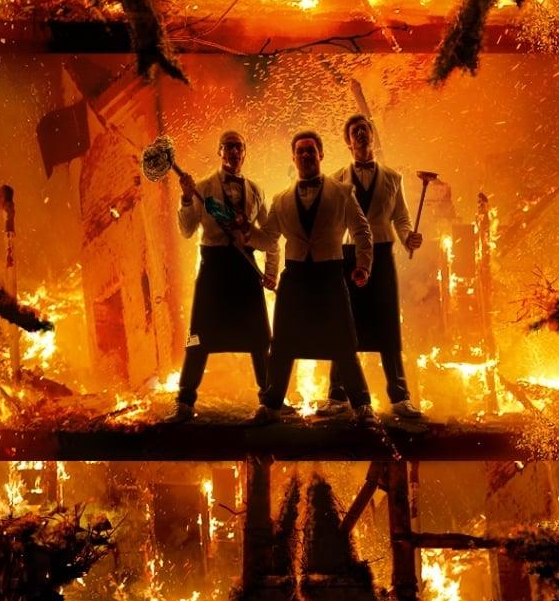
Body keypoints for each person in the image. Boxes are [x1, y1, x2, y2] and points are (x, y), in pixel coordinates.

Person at [252, 129, 376, 424]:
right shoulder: (281, 200)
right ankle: (270, 407)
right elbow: (267, 239)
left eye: (311, 150)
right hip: (294, 278)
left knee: (343, 343)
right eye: (300, 151)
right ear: (293, 157)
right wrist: (244, 229)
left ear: (321, 154)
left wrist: (363, 265)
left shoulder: (343, 192)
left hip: (330, 275)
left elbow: (362, 232)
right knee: (281, 344)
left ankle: (362, 407)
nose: (306, 155)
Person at [315, 114, 425, 419]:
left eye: (365, 129)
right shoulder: (335, 179)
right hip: (347, 254)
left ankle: (400, 397)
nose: (361, 134)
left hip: (382, 254)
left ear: (372, 135)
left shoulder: (393, 178)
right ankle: (337, 396)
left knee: (387, 323)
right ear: (348, 142)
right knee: (343, 323)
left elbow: (401, 218)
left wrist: (408, 237)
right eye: (355, 131)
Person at [169, 130, 271, 423]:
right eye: (228, 147)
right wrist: (186, 198)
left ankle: (270, 400)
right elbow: (187, 230)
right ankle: (184, 402)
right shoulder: (202, 188)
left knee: (260, 336)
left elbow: (268, 234)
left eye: (238, 147)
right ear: (220, 152)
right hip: (213, 268)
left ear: (244, 153)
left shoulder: (256, 191)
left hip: (245, 265)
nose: (234, 152)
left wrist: (252, 237)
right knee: (197, 336)